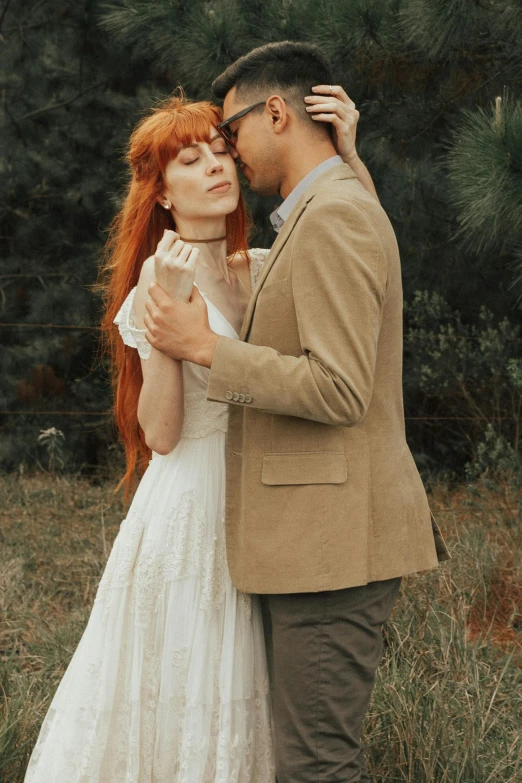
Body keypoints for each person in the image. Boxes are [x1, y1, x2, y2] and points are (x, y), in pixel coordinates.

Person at [24, 83, 367, 782]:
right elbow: (163, 433)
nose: (214, 166)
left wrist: (348, 157)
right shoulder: (161, 271)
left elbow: (354, 243)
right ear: (160, 193)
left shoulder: (260, 264)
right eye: (188, 160)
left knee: (249, 680)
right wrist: (173, 322)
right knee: (191, 674)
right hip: (192, 502)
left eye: (219, 151)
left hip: (257, 495)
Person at [144, 42, 450, 783]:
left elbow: (339, 389)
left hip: (332, 546)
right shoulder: (330, 205)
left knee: (317, 766)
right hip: (318, 541)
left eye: (233, 134)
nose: (231, 156)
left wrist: (206, 350)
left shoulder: (333, 214)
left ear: (274, 112)